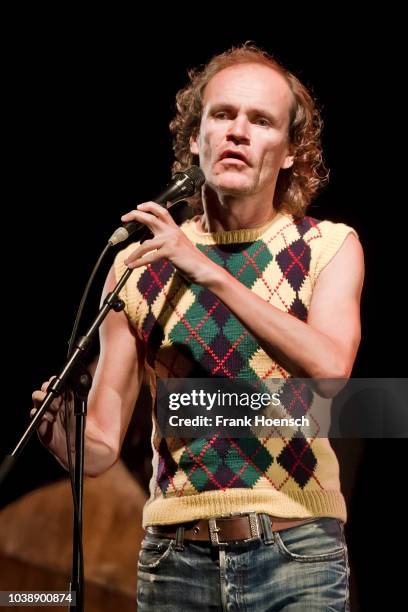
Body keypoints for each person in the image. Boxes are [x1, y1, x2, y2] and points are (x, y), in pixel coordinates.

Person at [32, 44, 364, 610]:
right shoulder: (137, 265)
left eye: (260, 121)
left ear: (289, 152)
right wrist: (67, 437)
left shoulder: (327, 245)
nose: (237, 132)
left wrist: (206, 270)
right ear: (194, 138)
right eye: (222, 115)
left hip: (297, 550)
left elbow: (331, 371)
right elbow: (104, 444)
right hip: (173, 561)